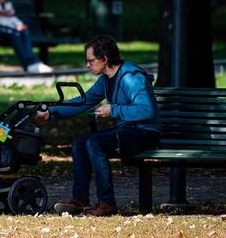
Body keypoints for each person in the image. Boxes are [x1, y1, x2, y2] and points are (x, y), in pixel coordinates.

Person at [34, 35, 161, 216]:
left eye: (91, 61)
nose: (88, 65)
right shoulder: (106, 79)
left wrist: (114, 110)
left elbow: (146, 110)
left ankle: (107, 203)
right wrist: (51, 113)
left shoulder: (130, 77)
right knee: (80, 143)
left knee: (95, 143)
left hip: (145, 133)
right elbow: (83, 102)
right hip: (127, 130)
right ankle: (80, 200)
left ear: (105, 59)